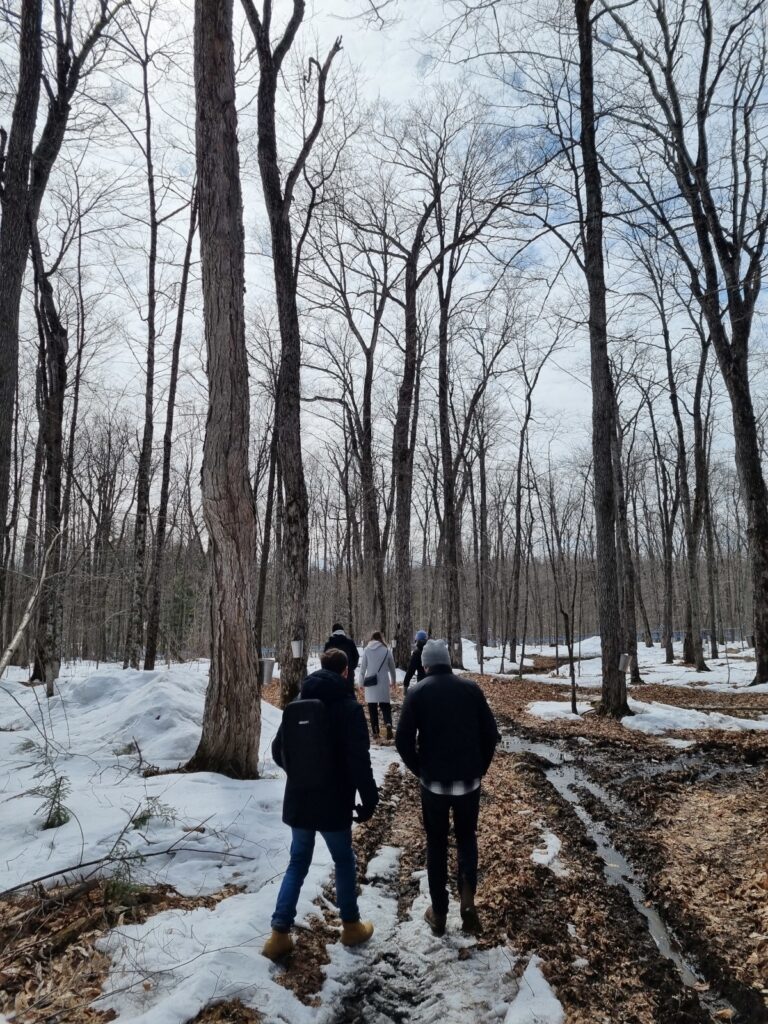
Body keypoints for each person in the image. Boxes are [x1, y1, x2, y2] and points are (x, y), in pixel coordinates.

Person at [262, 647, 379, 961]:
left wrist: (300, 773)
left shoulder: (297, 704)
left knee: (297, 862)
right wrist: (369, 798)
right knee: (343, 859)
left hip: (299, 798)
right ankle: (351, 926)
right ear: (345, 672)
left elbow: (277, 751)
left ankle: (278, 934)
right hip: (334, 801)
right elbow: (359, 759)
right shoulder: (348, 707)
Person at [395, 638, 499, 938]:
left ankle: (439, 912)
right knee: (466, 836)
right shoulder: (471, 689)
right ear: (448, 662)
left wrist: (420, 770)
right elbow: (490, 734)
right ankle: (467, 898)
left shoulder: (417, 692)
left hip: (434, 785)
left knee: (437, 842)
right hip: (468, 782)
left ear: (425, 665)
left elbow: (402, 741)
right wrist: (480, 768)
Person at [357, 631, 397, 742]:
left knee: (372, 708)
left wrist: (361, 683)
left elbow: (362, 669)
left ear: (372, 639)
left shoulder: (367, 650)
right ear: (381, 639)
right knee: (385, 706)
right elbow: (392, 668)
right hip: (383, 682)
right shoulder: (386, 650)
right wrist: (393, 681)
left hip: (371, 683)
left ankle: (375, 732)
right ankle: (388, 723)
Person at [403, 629, 428, 695]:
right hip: (433, 682)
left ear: (417, 640)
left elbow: (410, 670)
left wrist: (405, 685)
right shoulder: (432, 651)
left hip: (422, 683)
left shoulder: (417, 653)